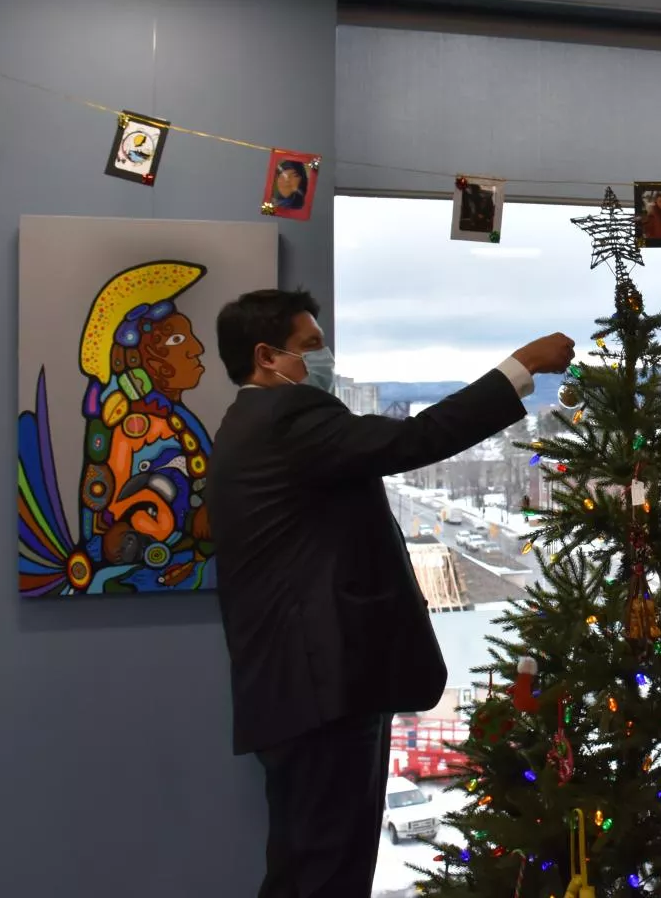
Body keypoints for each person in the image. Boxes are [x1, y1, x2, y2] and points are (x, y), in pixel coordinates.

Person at [207, 287, 574, 898]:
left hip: (294, 690)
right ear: (267, 356)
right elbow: (413, 442)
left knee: (302, 866)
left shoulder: (247, 423)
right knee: (329, 871)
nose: (324, 359)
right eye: (311, 346)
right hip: (325, 689)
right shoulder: (288, 418)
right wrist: (521, 367)